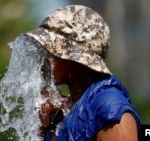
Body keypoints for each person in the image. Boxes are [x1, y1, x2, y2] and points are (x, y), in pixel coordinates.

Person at [24, 5, 141, 141]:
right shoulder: (62, 112)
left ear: (76, 58)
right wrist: (42, 128)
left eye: (49, 50)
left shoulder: (109, 109)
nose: (41, 57)